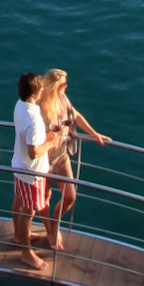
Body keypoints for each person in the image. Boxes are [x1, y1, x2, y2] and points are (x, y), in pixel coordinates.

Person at [36, 70, 111, 252]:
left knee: (70, 196)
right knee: (44, 198)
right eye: (62, 84)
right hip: (45, 161)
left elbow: (75, 115)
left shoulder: (63, 99)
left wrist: (94, 134)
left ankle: (55, 222)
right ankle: (49, 231)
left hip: (61, 157)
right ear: (54, 87)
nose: (66, 86)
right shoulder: (39, 107)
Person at [8, 73, 52, 274]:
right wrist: (51, 143)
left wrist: (45, 138)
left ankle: (18, 235)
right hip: (31, 172)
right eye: (41, 88)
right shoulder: (34, 119)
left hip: (19, 164)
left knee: (19, 200)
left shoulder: (20, 106)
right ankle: (26, 252)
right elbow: (34, 152)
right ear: (35, 92)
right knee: (29, 211)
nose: (43, 90)